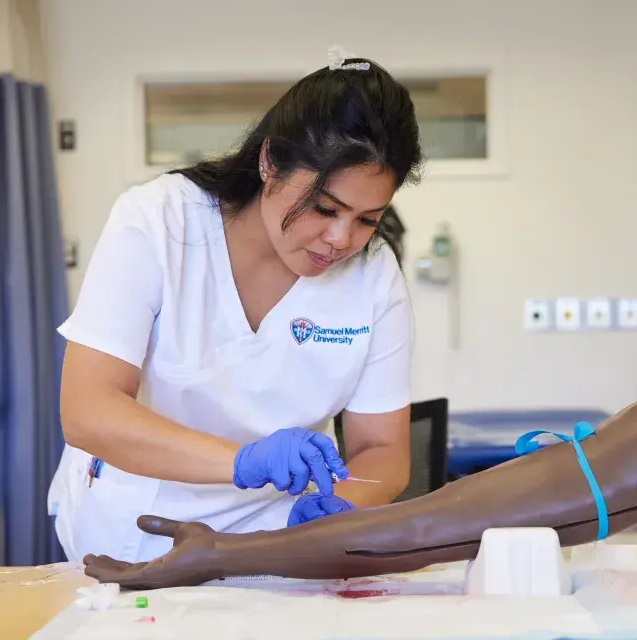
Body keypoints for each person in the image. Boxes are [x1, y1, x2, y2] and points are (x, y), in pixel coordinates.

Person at [47, 54, 422, 564]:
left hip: (281, 539)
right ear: (270, 162)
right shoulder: (160, 222)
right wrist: (243, 462)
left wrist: (339, 506)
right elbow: (89, 411)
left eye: (367, 220)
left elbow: (384, 450)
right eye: (325, 208)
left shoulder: (373, 275)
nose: (340, 239)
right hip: (140, 530)